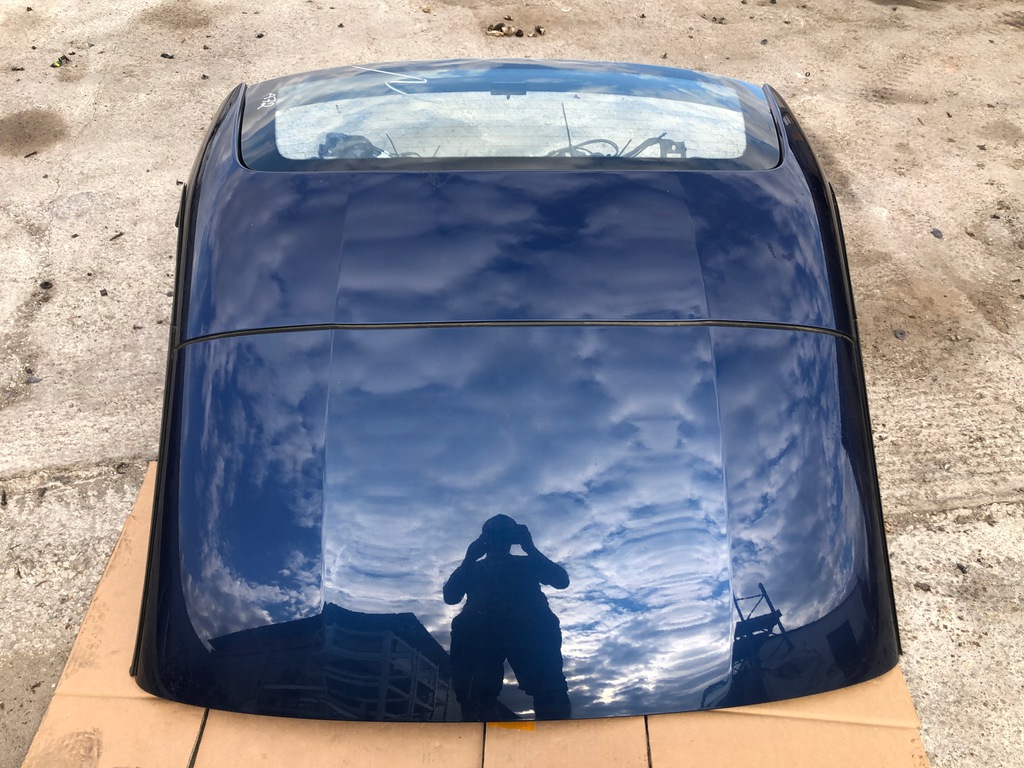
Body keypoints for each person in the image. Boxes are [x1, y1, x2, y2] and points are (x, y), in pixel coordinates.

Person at [443, 514, 571, 721]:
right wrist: (469, 558)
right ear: (485, 539)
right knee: (475, 695)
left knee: (550, 690)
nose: (499, 540)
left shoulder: (528, 563)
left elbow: (561, 581)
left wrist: (531, 548)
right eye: (494, 534)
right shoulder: (473, 568)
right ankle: (483, 729)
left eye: (504, 534)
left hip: (529, 632)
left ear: (513, 538)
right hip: (480, 635)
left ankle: (553, 734)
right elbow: (450, 597)